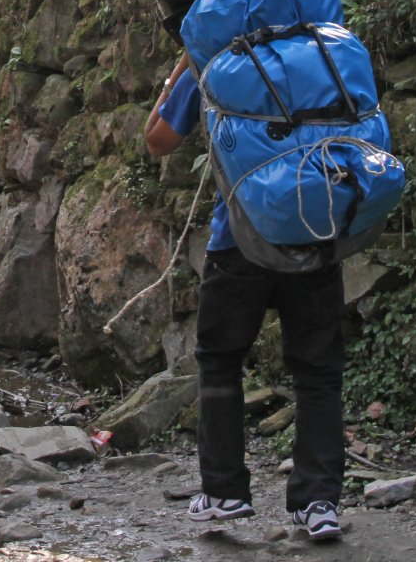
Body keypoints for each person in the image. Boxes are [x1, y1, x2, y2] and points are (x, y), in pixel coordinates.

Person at [146, 32, 346, 542]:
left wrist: (179, 69)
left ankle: (224, 493)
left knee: (220, 360)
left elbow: (158, 139)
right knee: (318, 371)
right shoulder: (319, 54)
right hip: (315, 231)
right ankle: (319, 502)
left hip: (239, 239)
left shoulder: (212, 62)